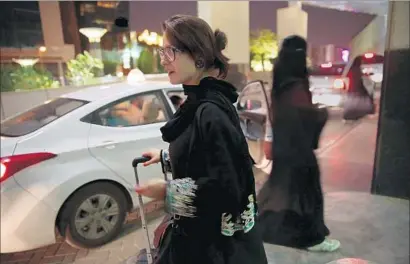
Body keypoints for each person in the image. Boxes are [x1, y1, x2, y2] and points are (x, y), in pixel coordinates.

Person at [135, 14, 268, 264]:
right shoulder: (202, 101)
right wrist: (165, 157)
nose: (163, 61)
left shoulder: (210, 111)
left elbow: (226, 192)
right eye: (161, 53)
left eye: (170, 52)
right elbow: (206, 157)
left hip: (214, 249)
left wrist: (167, 192)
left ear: (197, 55)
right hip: (203, 240)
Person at [257, 35, 340, 252]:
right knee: (307, 193)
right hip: (299, 151)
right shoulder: (297, 85)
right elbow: (303, 116)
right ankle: (311, 239)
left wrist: (271, 141)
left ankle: (267, 228)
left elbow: (276, 117)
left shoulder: (280, 83)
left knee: (282, 190)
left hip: (284, 150)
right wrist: (322, 113)